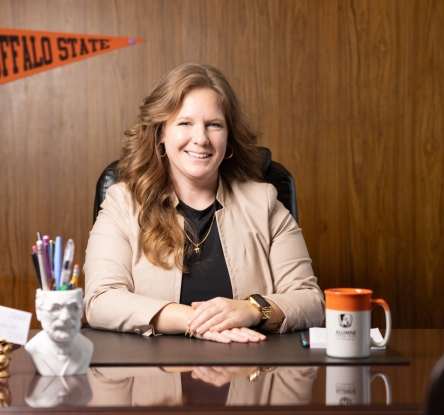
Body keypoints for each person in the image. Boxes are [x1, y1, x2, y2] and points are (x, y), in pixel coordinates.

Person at [84, 63, 325, 344]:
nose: (200, 139)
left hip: (249, 377)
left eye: (214, 125)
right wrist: (194, 321)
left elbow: (311, 301)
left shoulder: (265, 203)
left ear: (228, 137)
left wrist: (251, 309)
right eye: (184, 123)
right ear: (161, 134)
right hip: (151, 380)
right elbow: (100, 300)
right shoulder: (122, 204)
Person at [25, 289, 93, 376]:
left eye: (73, 308)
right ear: (39, 311)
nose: (65, 317)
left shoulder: (87, 346)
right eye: (55, 309)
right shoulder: (33, 347)